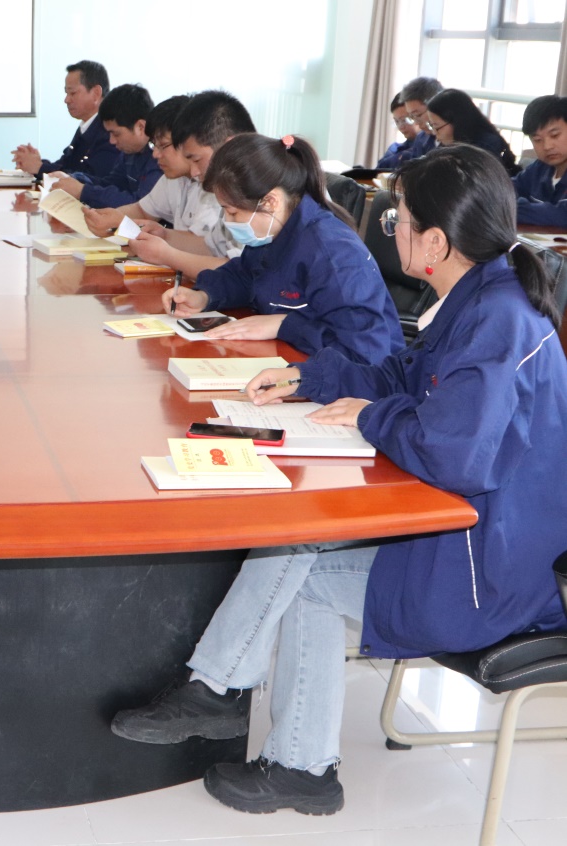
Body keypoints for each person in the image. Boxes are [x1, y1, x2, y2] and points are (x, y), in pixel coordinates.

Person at [112, 144, 567, 816]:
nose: (392, 230)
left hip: (491, 572)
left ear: (434, 242)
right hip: (479, 536)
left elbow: (453, 455)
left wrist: (369, 415)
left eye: (398, 220)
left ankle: (281, 749)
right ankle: (226, 697)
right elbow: (402, 375)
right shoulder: (479, 297)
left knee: (307, 574)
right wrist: (310, 377)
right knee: (298, 545)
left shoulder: (496, 322)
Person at [162, 133, 403, 364]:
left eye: (233, 212)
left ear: (270, 202)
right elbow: (245, 276)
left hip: (355, 381)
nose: (228, 221)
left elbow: (364, 354)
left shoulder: (334, 254)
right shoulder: (272, 232)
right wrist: (204, 295)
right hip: (292, 359)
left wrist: (284, 325)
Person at [125, 90, 256, 278]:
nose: (194, 172)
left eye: (196, 160)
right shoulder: (232, 189)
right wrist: (164, 236)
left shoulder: (259, 190)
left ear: (229, 145)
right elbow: (211, 247)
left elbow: (239, 272)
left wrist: (168, 256)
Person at [83, 95, 230, 263]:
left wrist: (162, 240)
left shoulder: (214, 182)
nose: (155, 154)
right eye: (154, 145)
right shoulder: (174, 177)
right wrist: (107, 218)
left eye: (163, 145)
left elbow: (208, 249)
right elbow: (143, 210)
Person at [48, 83, 163, 206]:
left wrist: (83, 191)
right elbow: (110, 184)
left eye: (116, 134)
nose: (112, 141)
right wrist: (74, 178)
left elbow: (140, 206)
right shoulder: (129, 152)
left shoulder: (160, 157)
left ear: (140, 127)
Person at [11, 60, 117, 179]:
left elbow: (89, 178)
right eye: (66, 93)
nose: (66, 100)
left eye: (73, 93)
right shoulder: (86, 126)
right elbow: (66, 165)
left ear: (96, 93)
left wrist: (40, 167)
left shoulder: (110, 131)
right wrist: (37, 163)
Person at [425, 88, 521, 176]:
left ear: (457, 122)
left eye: (436, 126)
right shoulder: (448, 144)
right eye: (431, 125)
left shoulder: (486, 146)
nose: (434, 132)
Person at [514, 94, 567, 227]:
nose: (547, 146)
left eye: (554, 135)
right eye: (537, 140)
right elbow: (504, 190)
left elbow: (562, 215)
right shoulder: (539, 168)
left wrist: (510, 209)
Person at [400, 76, 444, 159]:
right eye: (411, 117)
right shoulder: (421, 139)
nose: (416, 123)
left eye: (418, 115)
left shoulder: (456, 138)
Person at [375, 92, 419, 168]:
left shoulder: (428, 146)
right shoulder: (394, 149)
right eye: (397, 121)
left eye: (404, 120)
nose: (401, 127)